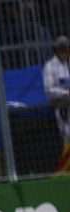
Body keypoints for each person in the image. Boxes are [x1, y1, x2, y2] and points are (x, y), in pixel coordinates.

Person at [43, 36, 70, 172]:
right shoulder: (50, 66)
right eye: (63, 48)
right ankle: (65, 169)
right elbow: (49, 89)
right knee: (67, 134)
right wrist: (66, 93)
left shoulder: (68, 63)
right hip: (62, 105)